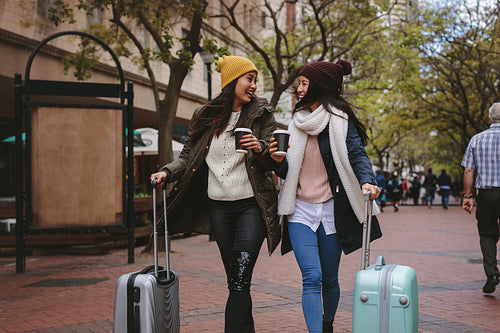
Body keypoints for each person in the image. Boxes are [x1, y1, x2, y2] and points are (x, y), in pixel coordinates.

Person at [150, 55, 281, 332]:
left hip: (251, 207)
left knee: (239, 281)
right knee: (236, 282)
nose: (253, 85)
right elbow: (187, 157)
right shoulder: (205, 115)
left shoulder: (262, 113)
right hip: (219, 209)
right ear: (232, 80)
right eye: (249, 78)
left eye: (255, 80)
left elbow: (273, 159)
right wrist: (167, 171)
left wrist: (259, 148)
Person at [270, 60, 382, 333]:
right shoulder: (295, 123)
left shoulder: (341, 123)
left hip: (332, 209)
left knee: (330, 279)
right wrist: (276, 160)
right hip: (299, 210)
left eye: (304, 84)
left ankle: (327, 324)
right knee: (312, 277)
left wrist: (367, 181)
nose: (298, 89)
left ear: (319, 87)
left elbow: (357, 154)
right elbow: (289, 169)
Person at [461, 102, 500, 294]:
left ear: (490, 119)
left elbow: (469, 170)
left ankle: (492, 273)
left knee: (487, 233)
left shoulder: (477, 139)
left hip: (487, 194)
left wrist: (468, 196)